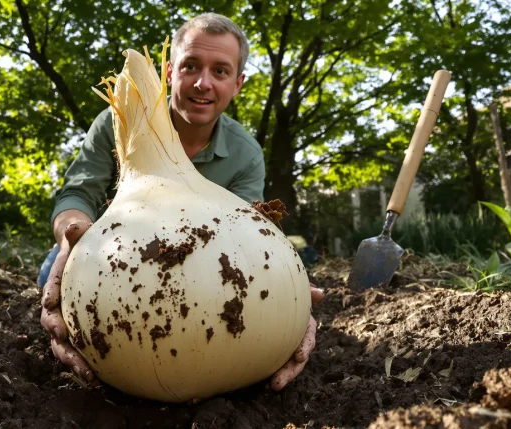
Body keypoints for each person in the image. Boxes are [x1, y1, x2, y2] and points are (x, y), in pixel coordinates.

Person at [40, 12, 324, 393]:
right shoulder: (118, 120)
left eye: (220, 71)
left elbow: (253, 242)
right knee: (49, 271)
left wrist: (289, 302)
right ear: (170, 72)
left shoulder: (246, 152)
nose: (203, 82)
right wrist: (70, 240)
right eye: (191, 66)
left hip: (212, 293)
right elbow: (77, 194)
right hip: (117, 267)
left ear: (238, 83)